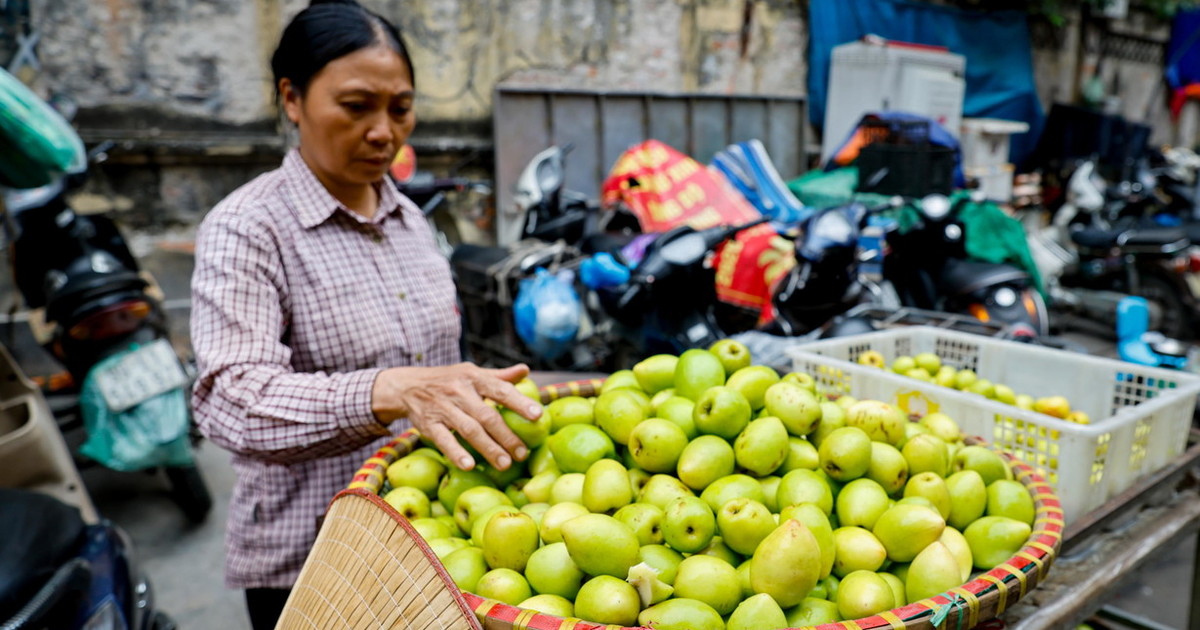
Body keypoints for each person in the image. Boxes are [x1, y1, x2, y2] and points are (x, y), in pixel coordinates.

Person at [188, 2, 541, 628]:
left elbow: (432, 369)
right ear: (292, 99)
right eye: (356, 107)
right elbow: (229, 401)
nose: (384, 131)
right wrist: (391, 390)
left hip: (430, 550)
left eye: (400, 108)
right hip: (311, 562)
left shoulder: (408, 219)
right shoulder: (249, 228)